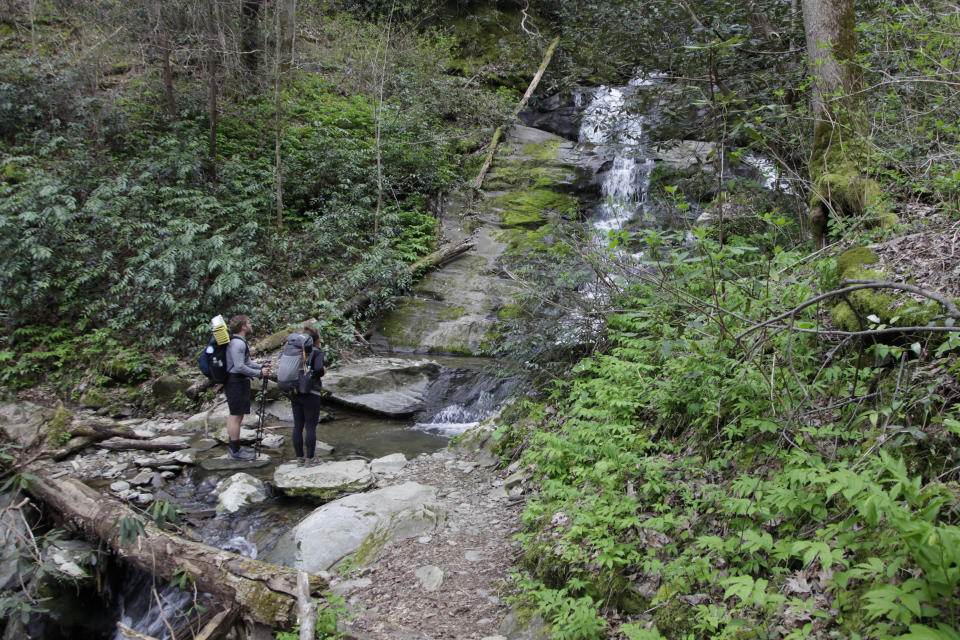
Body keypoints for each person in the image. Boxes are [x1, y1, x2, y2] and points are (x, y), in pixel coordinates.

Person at [225, 314, 271, 460]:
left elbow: (247, 362)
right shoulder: (238, 343)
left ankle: (234, 447)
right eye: (249, 323)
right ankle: (235, 451)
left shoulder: (238, 342)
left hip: (237, 381)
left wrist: (260, 366)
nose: (251, 325)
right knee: (236, 416)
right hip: (235, 382)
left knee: (237, 415)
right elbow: (239, 366)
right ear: (243, 326)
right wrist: (259, 373)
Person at [290, 325, 326, 466]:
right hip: (311, 392)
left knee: (298, 425)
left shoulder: (295, 351)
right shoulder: (317, 352)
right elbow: (317, 370)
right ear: (316, 340)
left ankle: (300, 459)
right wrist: (323, 371)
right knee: (310, 426)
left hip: (295, 391)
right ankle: (310, 459)